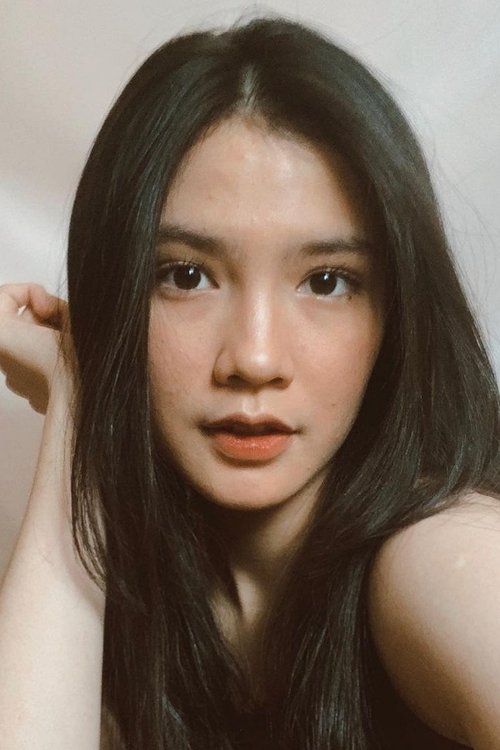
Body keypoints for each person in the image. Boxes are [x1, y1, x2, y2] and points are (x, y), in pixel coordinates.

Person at [0, 14, 499, 750]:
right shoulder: (135, 602)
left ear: (397, 313)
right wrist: (80, 396)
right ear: (115, 294)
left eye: (327, 281)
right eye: (186, 276)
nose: (255, 359)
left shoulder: (438, 552)